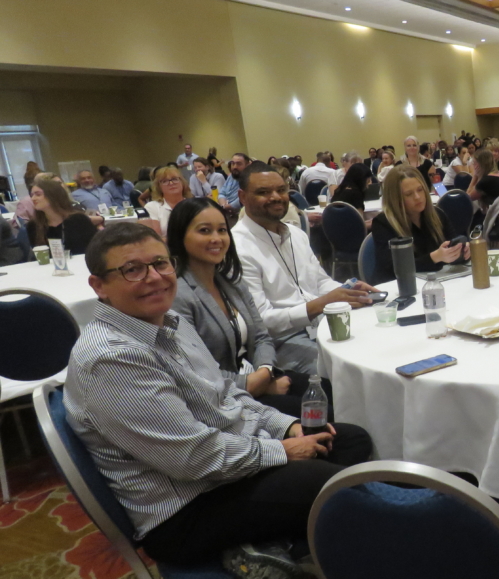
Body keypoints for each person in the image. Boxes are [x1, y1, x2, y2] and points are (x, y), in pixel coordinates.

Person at [65, 222, 371, 574]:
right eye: (132, 270)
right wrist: (281, 451)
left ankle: (266, 541)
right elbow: (193, 458)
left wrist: (285, 428)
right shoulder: (111, 359)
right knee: (336, 486)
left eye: (161, 264)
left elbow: (227, 393)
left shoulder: (170, 321)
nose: (154, 277)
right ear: (99, 285)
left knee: (347, 440)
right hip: (186, 509)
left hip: (222, 466)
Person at [167, 197, 324, 418]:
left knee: (329, 390)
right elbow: (195, 372)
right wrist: (251, 385)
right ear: (180, 236)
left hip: (258, 375)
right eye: (204, 231)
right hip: (222, 400)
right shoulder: (178, 295)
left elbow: (261, 336)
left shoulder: (231, 282)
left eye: (222, 230)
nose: (216, 239)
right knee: (332, 421)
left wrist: (265, 371)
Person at [232, 162, 377, 375]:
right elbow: (261, 321)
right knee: (349, 371)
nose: (275, 197)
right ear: (243, 197)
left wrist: (349, 290)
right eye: (263, 192)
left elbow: (320, 282)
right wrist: (320, 305)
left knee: (378, 344)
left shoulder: (295, 233)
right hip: (279, 342)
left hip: (321, 324)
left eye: (281, 190)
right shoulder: (237, 247)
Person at [370, 165, 470, 284]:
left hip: (436, 282)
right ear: (396, 198)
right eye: (408, 194)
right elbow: (390, 268)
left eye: (420, 190)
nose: (417, 197)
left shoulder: (438, 215)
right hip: (398, 287)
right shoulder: (383, 223)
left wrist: (461, 252)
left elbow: (451, 247)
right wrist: (434, 257)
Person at [26, 180, 98, 255]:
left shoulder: (79, 220)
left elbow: (94, 249)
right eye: (32, 195)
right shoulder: (33, 226)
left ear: (53, 195)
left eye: (38, 194)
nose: (33, 198)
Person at [144, 166, 189, 236]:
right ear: (159, 187)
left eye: (174, 179)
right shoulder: (152, 207)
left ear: (182, 182)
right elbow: (156, 239)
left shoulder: (192, 205)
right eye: (164, 181)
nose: (171, 183)